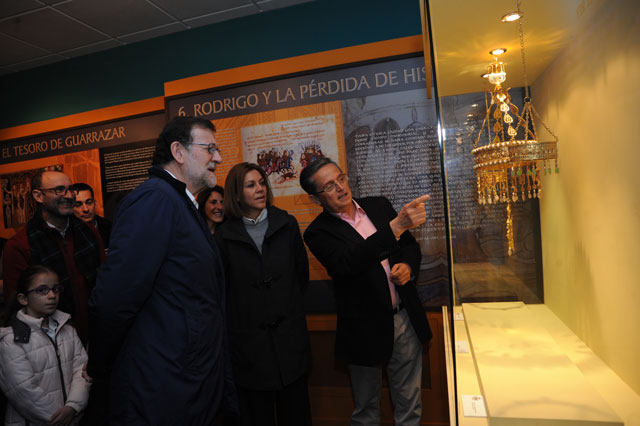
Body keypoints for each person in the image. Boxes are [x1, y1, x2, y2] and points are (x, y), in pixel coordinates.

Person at [87, 116, 236, 425]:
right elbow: (115, 298)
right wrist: (101, 367)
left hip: (184, 378)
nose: (218, 158)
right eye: (210, 148)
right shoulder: (155, 199)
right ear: (178, 152)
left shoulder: (180, 202)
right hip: (163, 384)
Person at [300, 158, 432, 426]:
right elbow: (348, 262)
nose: (340, 187)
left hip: (403, 319)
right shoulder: (317, 233)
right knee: (366, 411)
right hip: (364, 329)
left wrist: (407, 266)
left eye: (341, 178)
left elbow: (409, 246)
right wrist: (394, 228)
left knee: (409, 404)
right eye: (329, 186)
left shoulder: (378, 206)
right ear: (315, 199)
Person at [215, 162, 311, 426]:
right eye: (250, 185)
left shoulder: (286, 224)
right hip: (250, 349)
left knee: (297, 415)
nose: (260, 189)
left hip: (290, 344)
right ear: (236, 194)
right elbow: (224, 292)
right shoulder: (223, 237)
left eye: (261, 183)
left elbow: (301, 276)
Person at [1, 171, 105, 346]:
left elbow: (105, 281)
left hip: (97, 335)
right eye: (59, 190)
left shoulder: (89, 233)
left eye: (71, 190)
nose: (68, 196)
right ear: (38, 196)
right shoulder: (20, 245)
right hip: (49, 343)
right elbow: (16, 307)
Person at [0, 265, 91, 426]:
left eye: (56, 289)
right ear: (23, 299)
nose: (52, 295)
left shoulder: (68, 330)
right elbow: (23, 390)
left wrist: (73, 407)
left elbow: (82, 371)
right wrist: (61, 420)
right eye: (42, 290)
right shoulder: (12, 340)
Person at [72, 183, 112, 250]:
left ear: (95, 204)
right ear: (70, 208)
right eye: (78, 205)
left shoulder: (110, 228)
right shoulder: (67, 234)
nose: (86, 209)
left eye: (89, 202)